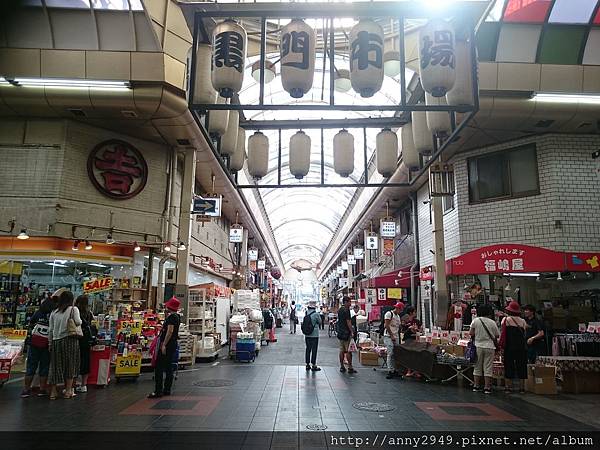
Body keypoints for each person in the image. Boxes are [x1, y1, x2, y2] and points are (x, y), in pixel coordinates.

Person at [48, 290, 81, 400]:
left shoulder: (54, 312)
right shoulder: (73, 309)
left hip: (56, 341)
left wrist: (50, 342)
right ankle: (68, 391)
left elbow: (51, 329)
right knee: (70, 365)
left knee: (56, 366)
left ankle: (53, 392)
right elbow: (78, 322)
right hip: (69, 340)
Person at [148, 297, 181, 398]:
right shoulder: (177, 316)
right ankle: (167, 389)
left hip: (167, 344)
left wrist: (164, 344)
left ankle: (158, 391)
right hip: (172, 344)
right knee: (168, 367)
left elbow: (170, 331)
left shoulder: (172, 317)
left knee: (159, 367)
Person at [21, 299, 53, 398]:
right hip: (46, 344)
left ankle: (26, 389)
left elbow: (30, 325)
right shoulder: (52, 315)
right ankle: (42, 389)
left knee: (31, 366)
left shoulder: (38, 313)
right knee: (44, 367)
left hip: (34, 343)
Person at [469, 304, 500, 394]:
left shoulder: (475, 321)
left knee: (477, 366)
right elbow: (497, 335)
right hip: (490, 346)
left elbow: (471, 333)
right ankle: (487, 387)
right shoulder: (492, 322)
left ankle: (476, 386)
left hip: (478, 345)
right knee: (488, 367)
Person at [499, 301, 528, 394]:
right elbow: (525, 333)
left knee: (509, 365)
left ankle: (508, 387)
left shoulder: (505, 320)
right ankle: (522, 388)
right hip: (521, 347)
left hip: (509, 346)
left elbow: (502, 333)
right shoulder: (523, 321)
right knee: (521, 366)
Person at [74, 295, 94, 393]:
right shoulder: (89, 313)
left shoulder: (74, 312)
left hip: (76, 338)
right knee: (85, 361)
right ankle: (83, 384)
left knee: (74, 361)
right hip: (86, 340)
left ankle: (72, 385)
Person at [384, 302, 404, 379]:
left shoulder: (398, 316)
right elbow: (386, 325)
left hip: (396, 337)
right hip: (389, 336)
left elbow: (398, 327)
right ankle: (390, 370)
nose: (401, 311)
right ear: (398, 308)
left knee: (395, 353)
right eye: (400, 310)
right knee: (390, 353)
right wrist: (391, 335)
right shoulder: (389, 314)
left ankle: (394, 370)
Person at [337, 296, 356, 374]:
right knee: (348, 351)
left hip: (340, 332)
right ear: (345, 302)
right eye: (349, 302)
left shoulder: (340, 310)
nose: (350, 303)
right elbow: (348, 322)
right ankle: (350, 367)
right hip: (346, 333)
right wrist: (352, 331)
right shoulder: (346, 310)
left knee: (341, 350)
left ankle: (342, 366)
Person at [303, 299, 322, 371]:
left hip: (307, 334)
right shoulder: (316, 314)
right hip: (314, 335)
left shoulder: (306, 313)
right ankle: (313, 365)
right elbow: (320, 322)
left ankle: (307, 365)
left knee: (308, 349)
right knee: (314, 350)